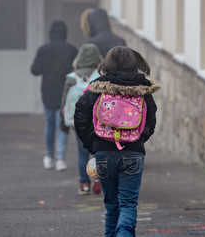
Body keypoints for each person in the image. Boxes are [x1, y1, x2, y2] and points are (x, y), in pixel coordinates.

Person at [74, 46, 158, 237]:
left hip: (103, 152)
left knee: (112, 207)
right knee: (128, 204)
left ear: (108, 63)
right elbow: (151, 120)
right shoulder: (142, 89)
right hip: (133, 153)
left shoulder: (98, 86)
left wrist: (93, 144)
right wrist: (138, 139)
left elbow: (80, 114)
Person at [31, 20, 78, 171]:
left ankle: (49, 157)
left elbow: (35, 70)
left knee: (49, 124)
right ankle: (60, 159)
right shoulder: (71, 50)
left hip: (47, 92)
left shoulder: (43, 50)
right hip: (65, 93)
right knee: (63, 125)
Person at [60, 43, 103, 195]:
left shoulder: (71, 78)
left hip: (78, 122)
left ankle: (84, 184)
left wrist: (63, 126)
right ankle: (98, 181)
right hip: (98, 121)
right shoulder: (100, 76)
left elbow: (64, 102)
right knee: (98, 151)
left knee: (82, 153)